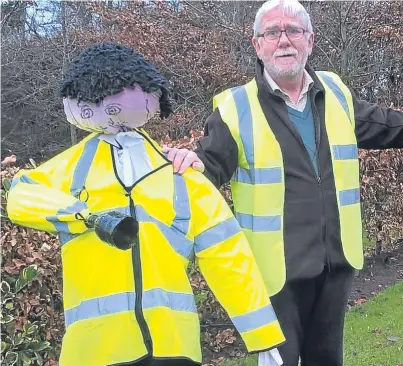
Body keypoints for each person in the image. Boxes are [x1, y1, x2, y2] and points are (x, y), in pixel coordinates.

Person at [6, 43, 285, 366]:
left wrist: (263, 337)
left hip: (172, 345)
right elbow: (20, 195)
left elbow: (230, 259)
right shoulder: (69, 171)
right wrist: (85, 217)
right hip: (96, 348)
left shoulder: (183, 177)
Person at [163, 1, 403, 365]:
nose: (284, 40)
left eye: (293, 30)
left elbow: (384, 125)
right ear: (257, 44)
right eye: (272, 32)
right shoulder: (236, 106)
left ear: (310, 40)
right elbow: (208, 166)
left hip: (335, 261)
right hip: (276, 274)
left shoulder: (334, 91)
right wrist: (188, 164)